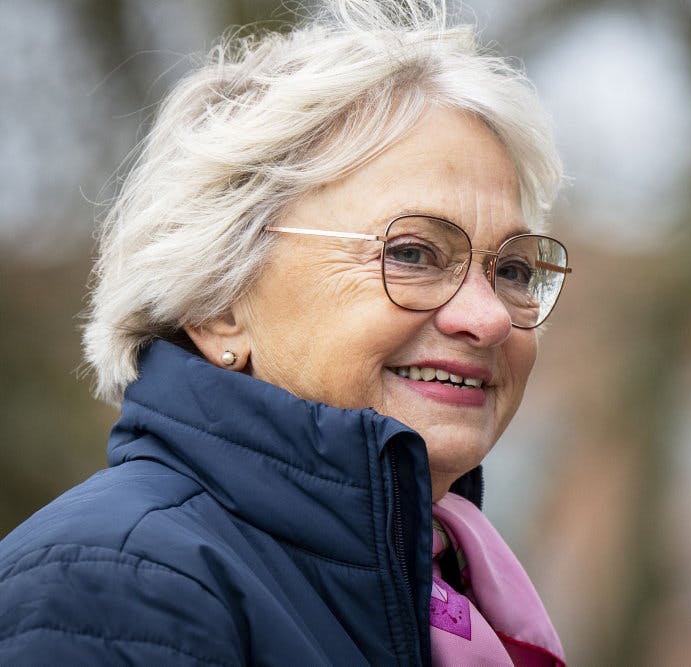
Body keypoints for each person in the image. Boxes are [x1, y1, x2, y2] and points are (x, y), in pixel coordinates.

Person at [0, 1, 571, 664]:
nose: (490, 315)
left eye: (511, 268)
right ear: (220, 304)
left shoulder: (447, 589)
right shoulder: (114, 588)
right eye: (413, 253)